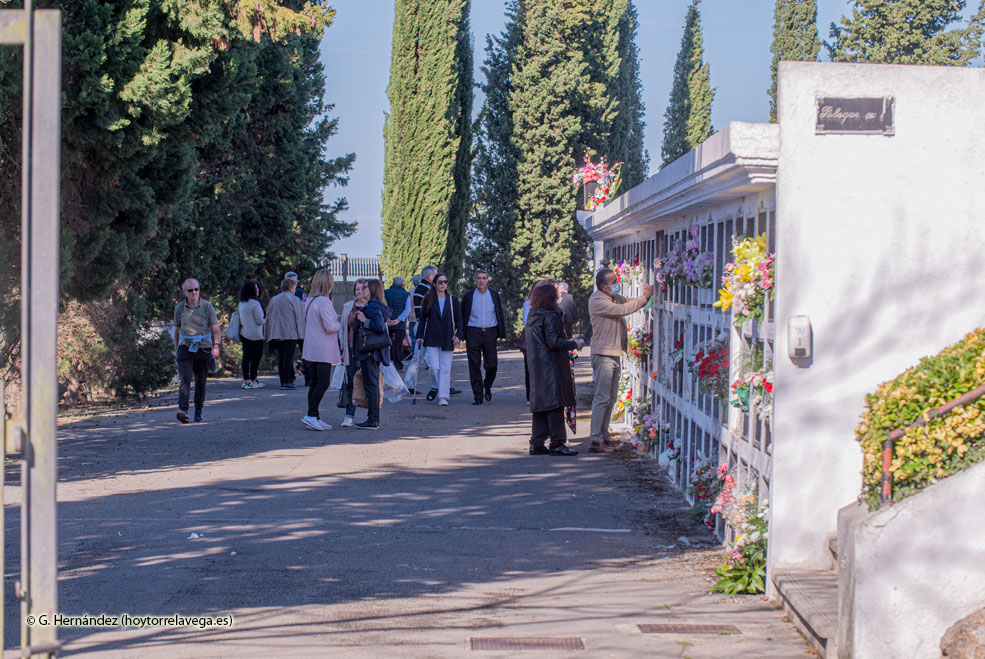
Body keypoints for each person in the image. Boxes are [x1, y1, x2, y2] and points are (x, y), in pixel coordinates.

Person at [588, 268, 653, 453]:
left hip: (613, 352)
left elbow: (630, 302)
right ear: (603, 286)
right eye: (613, 281)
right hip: (603, 354)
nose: (616, 283)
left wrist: (644, 297)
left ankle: (604, 437)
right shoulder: (597, 300)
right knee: (602, 398)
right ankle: (596, 440)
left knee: (610, 399)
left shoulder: (612, 296)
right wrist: (644, 297)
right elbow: (623, 309)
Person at [525, 281, 583, 456]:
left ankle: (537, 442)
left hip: (537, 365)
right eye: (556, 293)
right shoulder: (550, 316)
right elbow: (554, 342)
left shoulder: (533, 315)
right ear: (550, 297)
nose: (560, 295)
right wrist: (575, 343)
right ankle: (557, 443)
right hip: (551, 365)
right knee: (555, 404)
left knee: (542, 405)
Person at [173, 278, 220, 423]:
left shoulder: (207, 306)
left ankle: (198, 410)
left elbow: (215, 328)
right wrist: (177, 350)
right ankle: (183, 410)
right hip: (185, 348)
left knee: (201, 381)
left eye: (196, 289)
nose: (194, 293)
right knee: (185, 379)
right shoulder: (180, 308)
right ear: (185, 292)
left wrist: (216, 345)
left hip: (203, 348)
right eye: (190, 290)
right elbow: (177, 330)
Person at [301, 269, 341, 431]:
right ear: (328, 283)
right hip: (322, 349)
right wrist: (341, 323)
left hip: (310, 347)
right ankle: (311, 415)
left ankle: (314, 415)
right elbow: (329, 327)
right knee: (323, 382)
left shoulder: (310, 300)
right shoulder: (324, 302)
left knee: (315, 383)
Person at [416, 272, 464, 406]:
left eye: (445, 282)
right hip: (432, 336)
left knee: (446, 368)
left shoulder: (452, 300)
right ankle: (436, 386)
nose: (443, 284)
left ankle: (443, 396)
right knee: (433, 367)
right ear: (435, 284)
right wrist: (419, 336)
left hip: (448, 337)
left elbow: (459, 319)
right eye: (440, 282)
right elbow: (423, 319)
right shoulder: (428, 299)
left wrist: (459, 335)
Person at [350, 278, 391, 429]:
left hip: (370, 351)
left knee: (372, 385)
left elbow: (379, 326)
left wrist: (364, 320)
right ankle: (372, 419)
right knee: (371, 384)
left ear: (372, 289)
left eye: (366, 287)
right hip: (372, 350)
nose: (363, 289)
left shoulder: (373, 306)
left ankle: (373, 420)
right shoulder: (376, 305)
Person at [461, 269, 506, 405]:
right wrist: (461, 333)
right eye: (478, 278)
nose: (481, 281)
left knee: (492, 364)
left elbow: (500, 313)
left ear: (487, 280)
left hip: (490, 332)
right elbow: (462, 315)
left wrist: (501, 332)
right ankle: (478, 395)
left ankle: (487, 385)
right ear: (475, 280)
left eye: (484, 278)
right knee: (474, 365)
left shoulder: (493, 294)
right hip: (473, 332)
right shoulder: (469, 296)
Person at [264, 278, 305, 389]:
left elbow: (268, 316)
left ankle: (283, 380)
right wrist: (301, 334)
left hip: (277, 333)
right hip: (290, 333)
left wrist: (267, 332)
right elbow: (300, 317)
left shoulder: (274, 299)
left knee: (281, 357)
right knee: (288, 357)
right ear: (292, 288)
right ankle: (288, 381)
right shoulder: (295, 299)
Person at [339, 278, 368, 427]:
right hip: (351, 348)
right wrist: (342, 348)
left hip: (368, 350)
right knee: (351, 382)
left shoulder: (373, 306)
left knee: (370, 382)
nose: (359, 292)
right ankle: (349, 415)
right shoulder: (348, 306)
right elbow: (342, 328)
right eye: (357, 289)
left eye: (362, 289)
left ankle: (372, 416)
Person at [238, 280, 266, 389]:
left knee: (246, 357)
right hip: (256, 335)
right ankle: (253, 378)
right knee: (256, 358)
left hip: (244, 333)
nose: (258, 290)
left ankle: (247, 379)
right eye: (256, 288)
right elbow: (259, 320)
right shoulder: (255, 303)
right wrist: (266, 320)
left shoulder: (241, 303)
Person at [384, 276, 411, 371]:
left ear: (393, 283)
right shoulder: (406, 294)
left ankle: (387, 365)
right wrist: (398, 320)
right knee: (399, 345)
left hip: (388, 322)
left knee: (387, 344)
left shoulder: (385, 292)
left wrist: (387, 319)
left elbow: (383, 306)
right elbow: (407, 309)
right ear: (402, 284)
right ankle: (398, 366)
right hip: (400, 324)